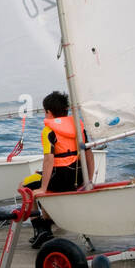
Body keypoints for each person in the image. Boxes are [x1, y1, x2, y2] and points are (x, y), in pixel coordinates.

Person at [26, 91, 94, 248]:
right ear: (66, 110)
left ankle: (42, 230)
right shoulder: (79, 127)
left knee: (25, 187)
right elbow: (89, 154)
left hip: (60, 179)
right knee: (40, 178)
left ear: (48, 112)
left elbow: (49, 159)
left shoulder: (48, 131)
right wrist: (89, 180)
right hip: (79, 177)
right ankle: (46, 225)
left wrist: (43, 187)